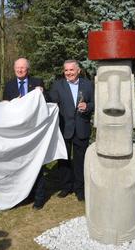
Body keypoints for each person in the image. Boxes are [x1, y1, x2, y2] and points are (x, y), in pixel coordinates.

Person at [3, 58, 46, 210]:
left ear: (28, 69)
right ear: (14, 69)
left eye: (23, 68)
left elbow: (45, 104)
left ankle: (39, 197)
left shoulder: (37, 82)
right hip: (17, 133)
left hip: (34, 132)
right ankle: (24, 195)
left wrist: (41, 93)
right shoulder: (8, 85)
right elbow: (5, 107)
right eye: (17, 68)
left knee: (36, 163)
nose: (20, 70)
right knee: (20, 165)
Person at [49, 60, 94, 201]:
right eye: (66, 70)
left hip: (82, 127)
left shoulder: (88, 84)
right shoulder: (58, 85)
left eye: (71, 70)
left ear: (78, 70)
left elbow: (95, 102)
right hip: (64, 128)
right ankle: (66, 186)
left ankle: (80, 189)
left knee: (80, 160)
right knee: (64, 160)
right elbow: (51, 101)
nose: (68, 73)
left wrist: (87, 106)